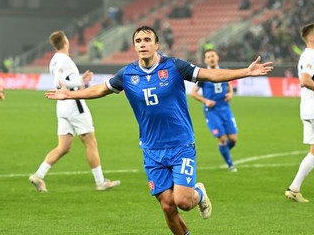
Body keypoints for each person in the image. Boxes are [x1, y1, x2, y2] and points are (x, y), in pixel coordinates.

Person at [45, 26, 273, 234]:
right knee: (167, 206)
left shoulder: (173, 66)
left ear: (156, 45)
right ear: (134, 46)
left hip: (181, 144)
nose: (142, 44)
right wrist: (70, 93)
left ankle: (199, 193)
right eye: (138, 41)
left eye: (147, 40)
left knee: (183, 201)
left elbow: (210, 74)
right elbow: (100, 90)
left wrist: (246, 71)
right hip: (152, 149)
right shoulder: (127, 74)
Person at [29, 30, 120, 193]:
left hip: (62, 106)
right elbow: (59, 81)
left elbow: (63, 80)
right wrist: (79, 81)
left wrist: (80, 80)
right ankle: (100, 182)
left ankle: (38, 175)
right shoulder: (66, 60)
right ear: (65, 42)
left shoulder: (54, 60)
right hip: (74, 104)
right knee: (91, 142)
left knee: (63, 147)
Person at [191, 49, 238, 172]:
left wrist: (230, 94)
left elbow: (229, 85)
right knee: (222, 138)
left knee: (233, 139)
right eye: (208, 57)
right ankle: (230, 165)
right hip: (212, 111)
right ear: (205, 60)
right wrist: (205, 101)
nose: (211, 58)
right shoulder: (203, 75)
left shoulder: (224, 71)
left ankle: (224, 150)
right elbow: (193, 93)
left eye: (213, 56)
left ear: (217, 57)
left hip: (225, 109)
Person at [285, 23, 314, 203]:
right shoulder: (311, 54)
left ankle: (294, 188)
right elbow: (305, 80)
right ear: (312, 38)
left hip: (308, 108)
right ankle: (294, 188)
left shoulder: (305, 54)